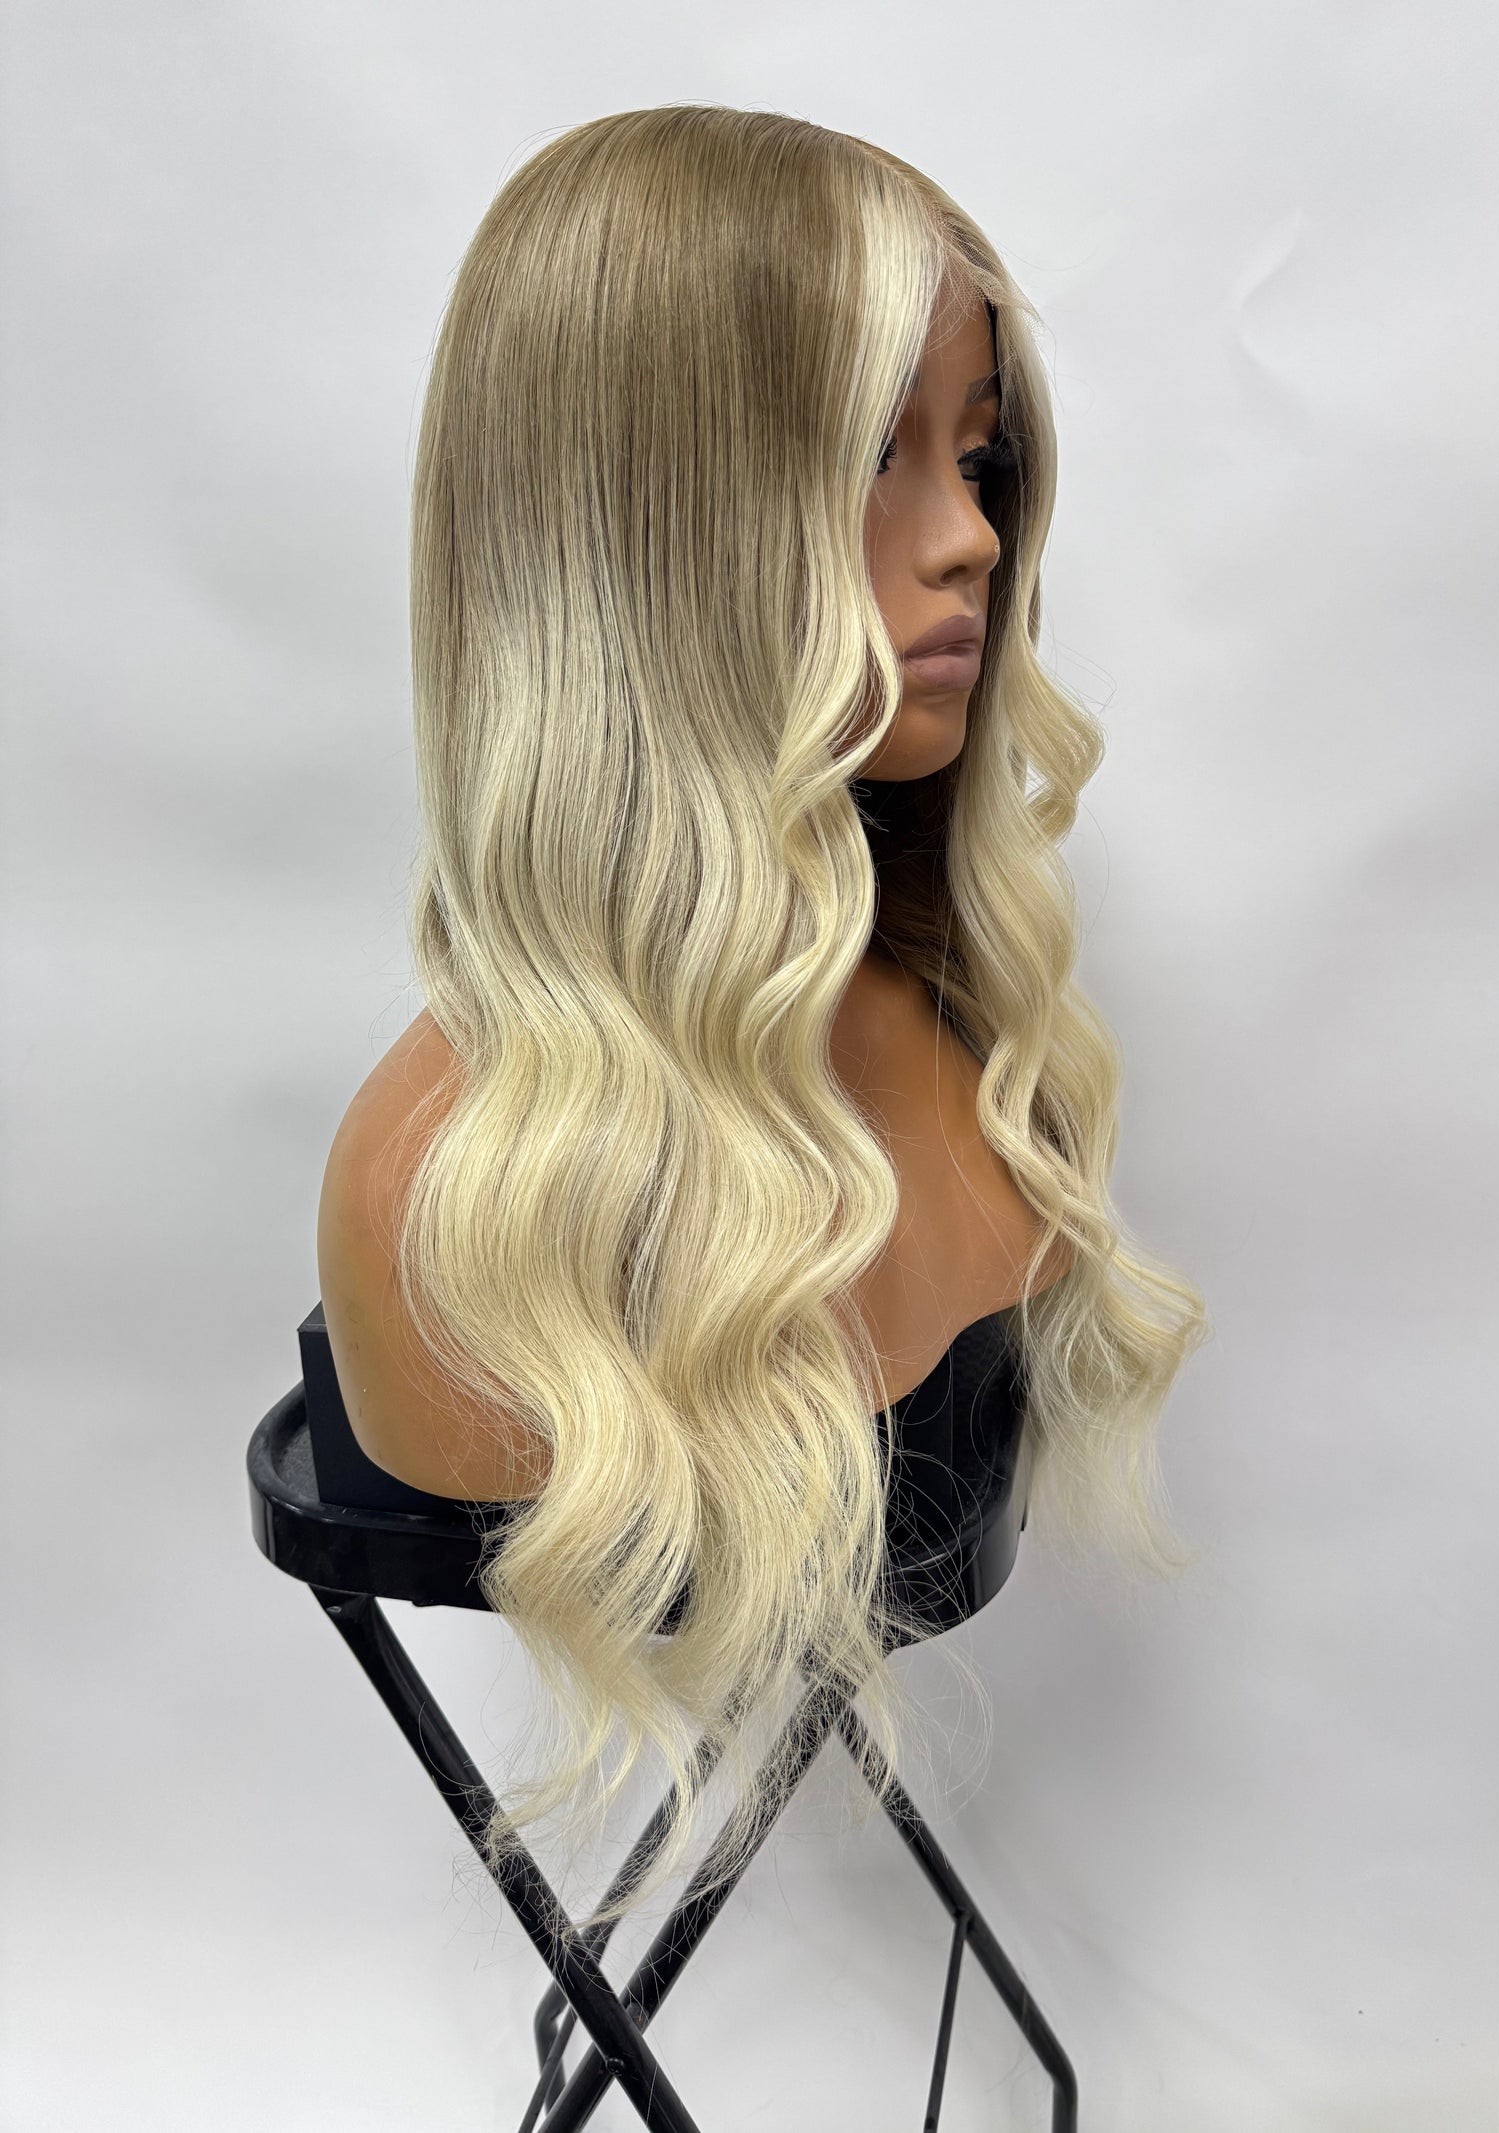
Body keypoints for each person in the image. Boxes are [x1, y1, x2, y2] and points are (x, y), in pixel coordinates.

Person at [315, 103, 1208, 1935]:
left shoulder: (934, 1029)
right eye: (872, 456)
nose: (971, 538)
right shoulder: (439, 1187)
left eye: (977, 455)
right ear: (639, 528)